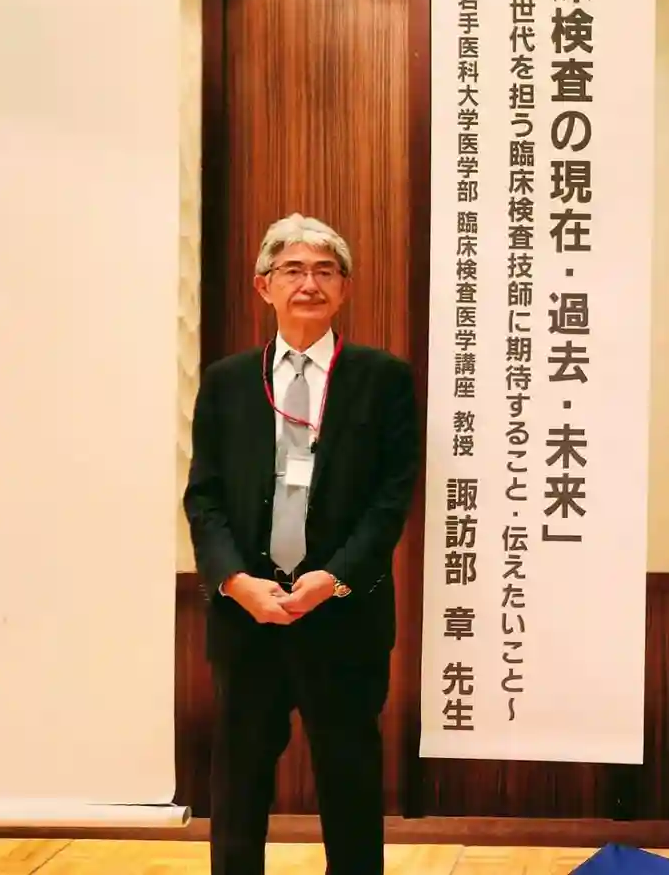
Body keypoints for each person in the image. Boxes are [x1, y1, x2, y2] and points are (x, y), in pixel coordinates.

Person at [183, 214, 420, 875]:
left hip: (342, 611)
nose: (308, 283)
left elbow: (391, 498)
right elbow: (204, 496)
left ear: (344, 288)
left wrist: (334, 577)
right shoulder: (228, 381)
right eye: (292, 270)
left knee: (350, 779)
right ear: (264, 286)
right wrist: (236, 581)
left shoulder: (382, 378)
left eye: (324, 271)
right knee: (238, 784)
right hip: (247, 614)